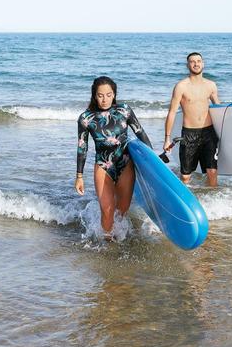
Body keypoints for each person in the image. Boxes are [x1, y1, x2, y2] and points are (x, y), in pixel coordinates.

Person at [76, 76, 152, 239]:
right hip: (103, 166)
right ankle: (107, 242)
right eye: (100, 95)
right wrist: (79, 176)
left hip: (125, 165)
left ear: (114, 94)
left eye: (109, 95)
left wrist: (153, 162)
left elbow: (141, 134)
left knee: (121, 212)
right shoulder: (86, 118)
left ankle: (119, 238)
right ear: (94, 96)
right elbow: (82, 146)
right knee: (107, 209)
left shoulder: (124, 110)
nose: (104, 99)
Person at [163, 52, 220, 187]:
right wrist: (167, 138)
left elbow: (219, 109)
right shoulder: (181, 86)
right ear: (188, 65)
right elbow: (171, 112)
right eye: (192, 61)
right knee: (185, 176)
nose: (196, 64)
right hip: (189, 134)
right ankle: (186, 201)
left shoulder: (211, 85)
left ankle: (212, 200)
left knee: (212, 171)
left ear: (203, 64)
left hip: (209, 133)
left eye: (199, 61)